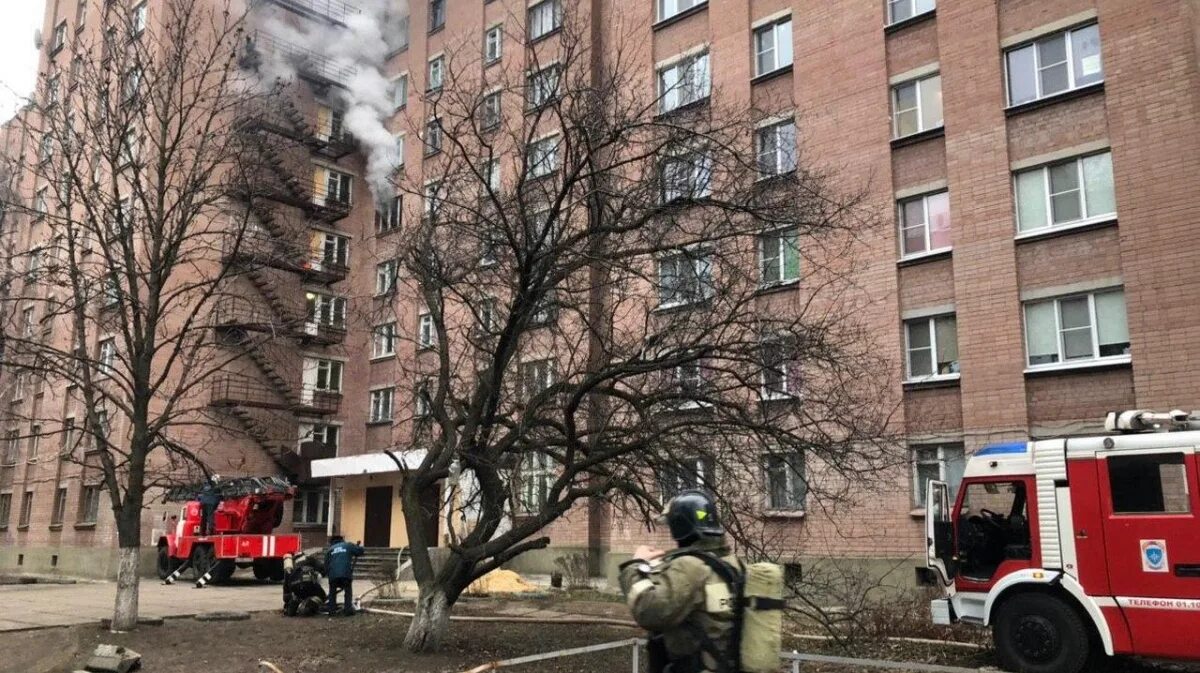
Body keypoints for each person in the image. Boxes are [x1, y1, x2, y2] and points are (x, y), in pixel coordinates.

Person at [619, 490, 742, 673]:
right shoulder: (732, 565)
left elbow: (649, 611)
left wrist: (634, 565)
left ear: (680, 527)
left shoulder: (690, 567)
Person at [324, 535, 364, 616]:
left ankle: (332, 611)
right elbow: (360, 551)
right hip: (345, 573)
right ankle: (347, 610)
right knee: (348, 591)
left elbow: (326, 565)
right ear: (342, 540)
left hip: (333, 575)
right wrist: (357, 547)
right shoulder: (347, 545)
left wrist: (329, 574)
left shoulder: (329, 550)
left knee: (332, 592)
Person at [282, 551, 327, 617]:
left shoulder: (291, 563)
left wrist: (287, 601)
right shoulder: (309, 558)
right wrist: (321, 574)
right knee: (322, 596)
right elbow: (322, 568)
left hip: (294, 585)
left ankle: (291, 609)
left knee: (298, 595)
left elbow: (286, 582)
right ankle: (309, 607)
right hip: (308, 583)